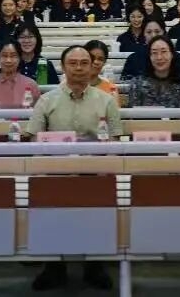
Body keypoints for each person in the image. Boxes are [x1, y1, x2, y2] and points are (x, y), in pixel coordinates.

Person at [26, 45, 120, 291]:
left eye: (84, 63)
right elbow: (33, 139)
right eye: (73, 63)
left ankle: (95, 266)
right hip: (56, 171)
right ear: (63, 67)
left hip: (95, 172)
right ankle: (54, 267)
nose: (79, 68)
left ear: (92, 66)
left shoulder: (107, 100)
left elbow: (115, 141)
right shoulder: (47, 100)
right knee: (48, 205)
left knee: (99, 204)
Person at [129, 37, 180, 107]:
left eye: (164, 52)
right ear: (149, 56)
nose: (159, 57)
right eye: (154, 53)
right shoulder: (137, 84)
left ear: (172, 54)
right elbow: (133, 112)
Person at [0, 41, 41, 108]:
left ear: (19, 58)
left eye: (13, 56)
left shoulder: (31, 85)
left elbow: (39, 111)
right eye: (4, 56)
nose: (8, 60)